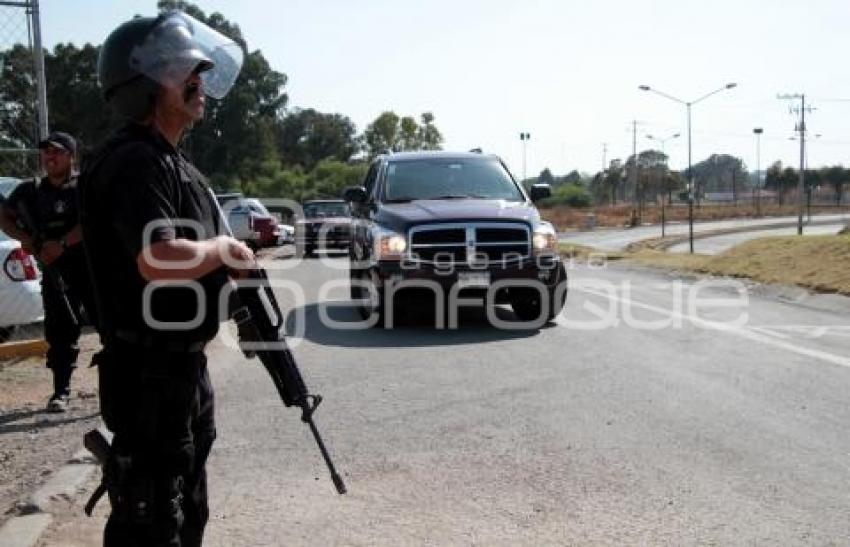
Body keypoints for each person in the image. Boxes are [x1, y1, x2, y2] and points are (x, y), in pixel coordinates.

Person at [79, 11, 252, 546]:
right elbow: (158, 258)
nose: (199, 78)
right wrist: (223, 248)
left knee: (183, 511)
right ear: (146, 84)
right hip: (147, 373)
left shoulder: (174, 164)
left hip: (179, 370)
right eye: (184, 69)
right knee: (151, 519)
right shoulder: (134, 161)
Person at [0, 131, 94, 413]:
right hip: (55, 272)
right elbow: (4, 215)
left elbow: (95, 219)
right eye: (46, 152)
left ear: (71, 156)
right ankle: (60, 392)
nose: (50, 157)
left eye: (57, 152)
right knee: (59, 331)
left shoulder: (84, 186)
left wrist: (63, 243)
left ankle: (119, 390)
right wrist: (25, 238)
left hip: (90, 270)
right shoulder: (30, 190)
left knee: (109, 329)